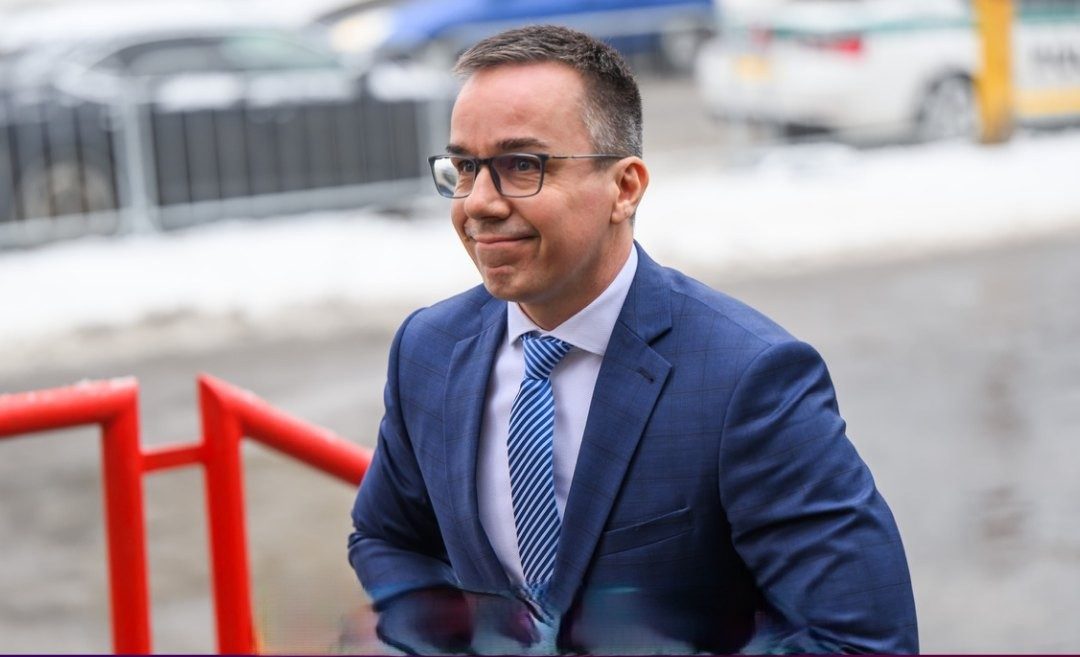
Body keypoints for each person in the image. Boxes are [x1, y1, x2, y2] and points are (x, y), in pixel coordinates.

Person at [348, 25, 918, 655]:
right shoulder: (428, 349)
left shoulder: (747, 379)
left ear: (624, 187)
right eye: (464, 168)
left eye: (521, 166)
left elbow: (862, 641)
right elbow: (388, 537)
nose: (478, 203)